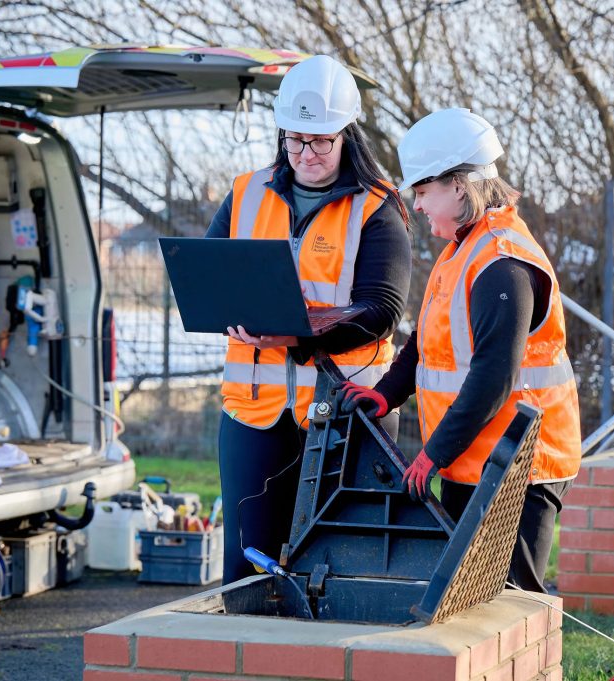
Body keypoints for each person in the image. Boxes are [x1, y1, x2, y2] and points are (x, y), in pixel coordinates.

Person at [338, 108, 581, 593]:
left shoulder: (501, 263)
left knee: (514, 606)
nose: (420, 206)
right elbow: (426, 345)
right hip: (475, 458)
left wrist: (432, 454)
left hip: (519, 469)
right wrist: (386, 394)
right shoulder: (460, 252)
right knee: (469, 601)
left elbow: (493, 375)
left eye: (424, 192)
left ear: (458, 185)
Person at [205, 55, 411, 584]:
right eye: (295, 139)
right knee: (248, 567)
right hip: (254, 414)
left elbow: (381, 312)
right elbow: (209, 276)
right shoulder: (247, 192)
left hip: (344, 413)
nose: (306, 153)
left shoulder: (377, 208)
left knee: (337, 567)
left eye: (321, 140)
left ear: (347, 134)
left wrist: (295, 332)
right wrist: (228, 313)